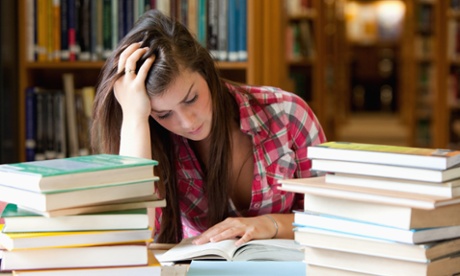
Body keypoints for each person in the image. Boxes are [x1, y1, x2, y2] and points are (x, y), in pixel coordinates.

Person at [91, 10, 326, 245]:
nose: (187, 122)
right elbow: (135, 235)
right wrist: (134, 117)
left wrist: (270, 224)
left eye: (191, 98)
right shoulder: (151, 138)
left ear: (206, 71)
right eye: (164, 114)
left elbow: (333, 220)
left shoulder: (288, 114)